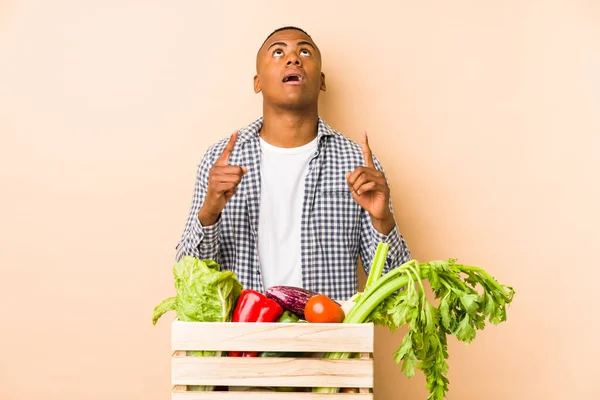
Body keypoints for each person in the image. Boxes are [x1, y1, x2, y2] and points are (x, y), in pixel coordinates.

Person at [175, 26, 410, 301]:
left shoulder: (356, 164)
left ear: (321, 80)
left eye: (304, 51)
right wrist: (209, 212)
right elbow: (189, 285)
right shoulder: (222, 162)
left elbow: (397, 293)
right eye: (278, 51)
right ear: (257, 82)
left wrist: (382, 221)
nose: (293, 58)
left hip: (327, 342)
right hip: (243, 342)